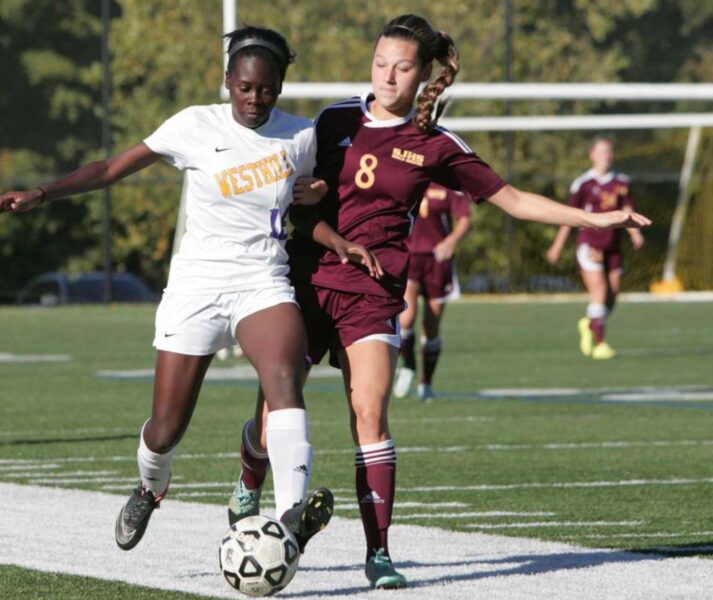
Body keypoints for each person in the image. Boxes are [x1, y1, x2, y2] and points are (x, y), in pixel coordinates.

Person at [227, 14, 651, 590]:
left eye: (401, 68)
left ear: (423, 74)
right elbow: (291, 191)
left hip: (374, 292)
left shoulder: (436, 145)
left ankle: (378, 554)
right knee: (273, 415)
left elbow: (513, 199)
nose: (387, 76)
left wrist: (593, 219)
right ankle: (250, 476)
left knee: (370, 413)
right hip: (306, 282)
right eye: (380, 63)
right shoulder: (333, 119)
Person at [0, 25, 338, 554]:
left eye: (267, 89)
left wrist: (317, 195)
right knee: (164, 431)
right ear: (228, 81)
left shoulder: (300, 135)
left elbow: (310, 202)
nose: (255, 98)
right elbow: (111, 168)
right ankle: (150, 488)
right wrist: (43, 193)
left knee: (286, 381)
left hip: (262, 280)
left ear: (280, 87)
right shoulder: (193, 125)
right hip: (197, 287)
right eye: (245, 87)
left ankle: (289, 517)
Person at [546, 136, 644, 360]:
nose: (605, 156)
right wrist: (557, 245)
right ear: (591, 155)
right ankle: (600, 343)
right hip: (590, 243)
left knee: (613, 294)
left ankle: (590, 323)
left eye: (608, 151)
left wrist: (635, 232)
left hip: (613, 246)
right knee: (599, 291)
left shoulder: (622, 182)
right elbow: (568, 216)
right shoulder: (583, 184)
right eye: (600, 152)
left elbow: (627, 211)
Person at [392, 183, 471, 401]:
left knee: (431, 327)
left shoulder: (448, 185)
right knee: (406, 318)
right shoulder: (407, 177)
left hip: (438, 261)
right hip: (409, 257)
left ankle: (426, 382)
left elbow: (465, 218)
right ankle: (408, 366)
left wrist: (450, 241)